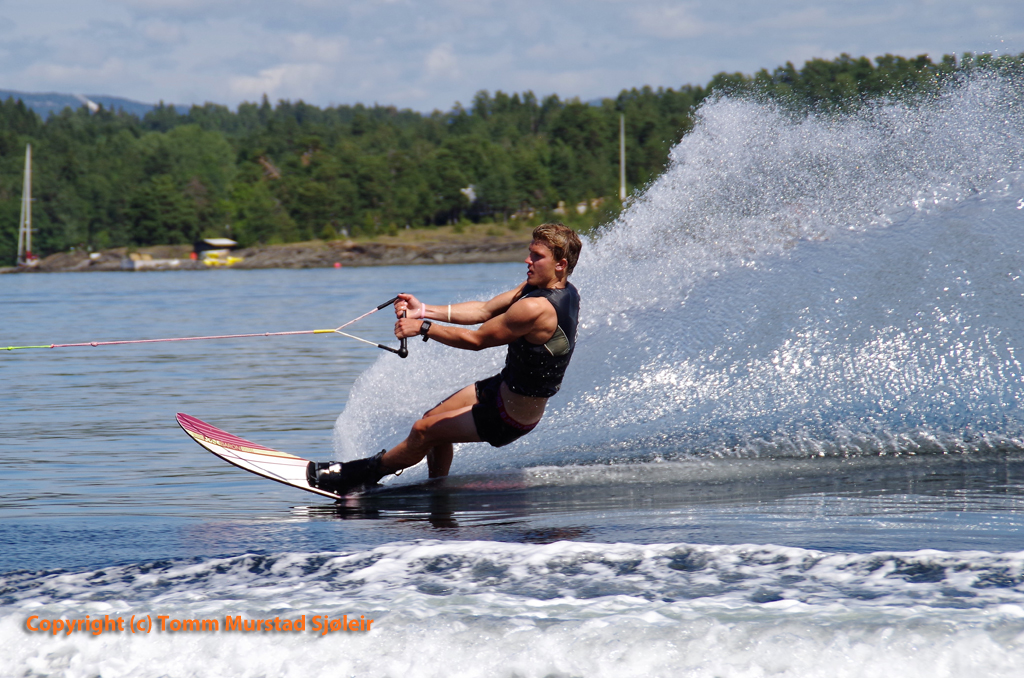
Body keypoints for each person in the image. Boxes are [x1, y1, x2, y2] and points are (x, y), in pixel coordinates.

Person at [307, 222, 582, 495]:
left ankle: (357, 475)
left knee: (423, 431)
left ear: (560, 264)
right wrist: (423, 310)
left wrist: (422, 327)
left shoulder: (535, 308)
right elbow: (483, 310)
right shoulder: (551, 289)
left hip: (510, 415)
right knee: (432, 419)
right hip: (501, 388)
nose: (527, 260)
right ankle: (438, 489)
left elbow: (477, 340)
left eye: (537, 256)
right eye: (530, 252)